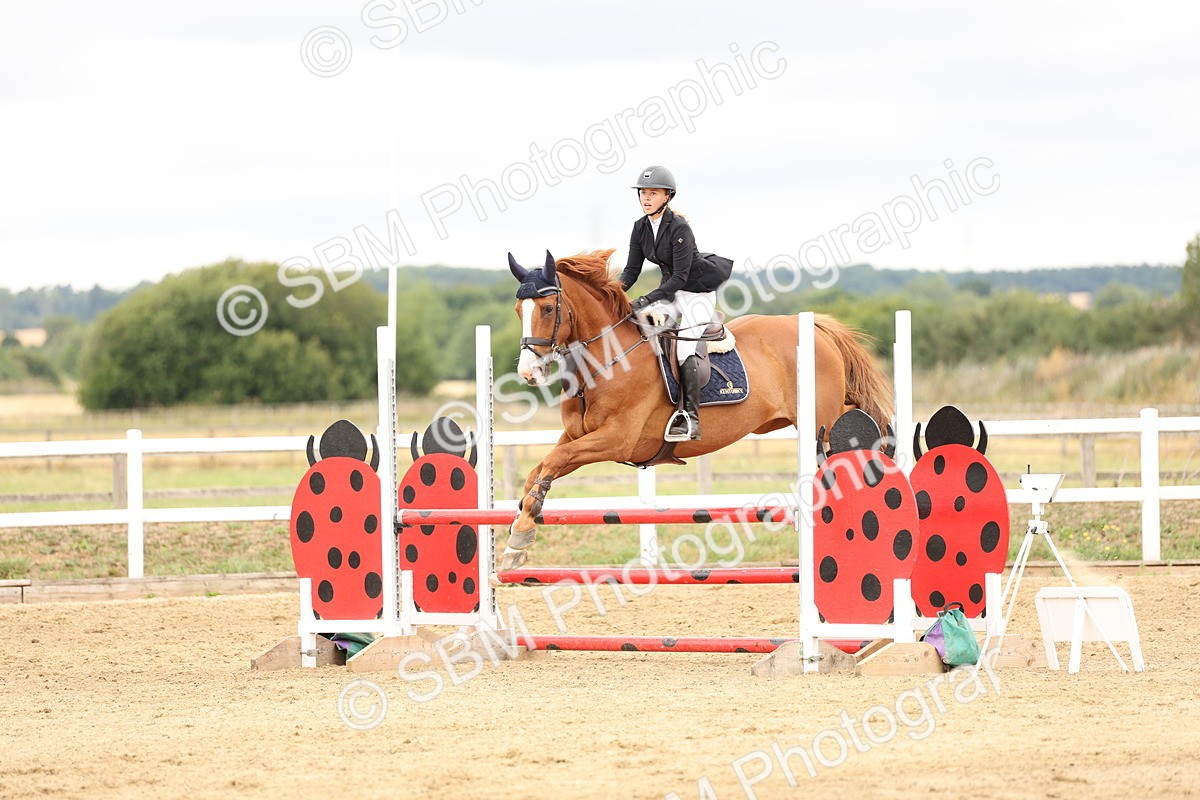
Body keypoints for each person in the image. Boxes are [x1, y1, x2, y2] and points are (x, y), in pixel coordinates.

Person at [619, 165, 733, 441]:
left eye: (653, 193)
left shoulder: (680, 227)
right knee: (643, 332)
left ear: (667, 196)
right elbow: (631, 271)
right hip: (671, 295)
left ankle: (691, 418)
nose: (646, 198)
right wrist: (612, 294)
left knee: (683, 349)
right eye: (643, 193)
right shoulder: (640, 227)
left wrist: (646, 299)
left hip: (697, 294)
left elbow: (680, 277)